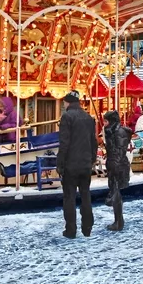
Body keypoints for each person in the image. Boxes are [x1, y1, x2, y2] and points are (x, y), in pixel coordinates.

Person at [57, 90, 98, 239]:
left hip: (70, 164)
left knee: (69, 197)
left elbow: (64, 143)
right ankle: (87, 228)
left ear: (67, 102)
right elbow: (93, 142)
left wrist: (60, 164)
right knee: (86, 195)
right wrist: (92, 159)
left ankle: (71, 230)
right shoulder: (88, 117)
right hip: (85, 164)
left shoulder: (67, 117)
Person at [102, 110, 131, 231]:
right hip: (115, 164)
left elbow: (119, 151)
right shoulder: (112, 131)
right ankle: (118, 220)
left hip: (118, 166)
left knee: (116, 193)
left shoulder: (119, 132)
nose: (104, 124)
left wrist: (114, 166)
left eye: (106, 121)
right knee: (115, 192)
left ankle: (119, 222)